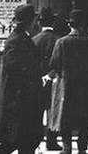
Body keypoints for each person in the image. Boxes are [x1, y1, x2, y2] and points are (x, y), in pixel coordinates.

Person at [0, 5, 45, 154]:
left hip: (24, 101)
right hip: (19, 102)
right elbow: (15, 69)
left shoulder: (22, 38)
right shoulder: (16, 40)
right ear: (31, 21)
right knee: (15, 143)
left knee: (25, 143)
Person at [46, 10, 88, 154]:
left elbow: (54, 64)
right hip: (87, 87)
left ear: (70, 25)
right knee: (85, 120)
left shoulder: (62, 42)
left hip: (67, 86)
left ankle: (66, 147)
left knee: (65, 118)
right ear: (83, 25)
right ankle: (82, 148)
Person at [31, 9, 62, 152]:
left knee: (37, 112)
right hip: (54, 79)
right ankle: (51, 141)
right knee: (52, 111)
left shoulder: (33, 40)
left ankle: (35, 141)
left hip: (37, 80)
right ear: (53, 23)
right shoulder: (59, 40)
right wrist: (51, 74)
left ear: (39, 23)